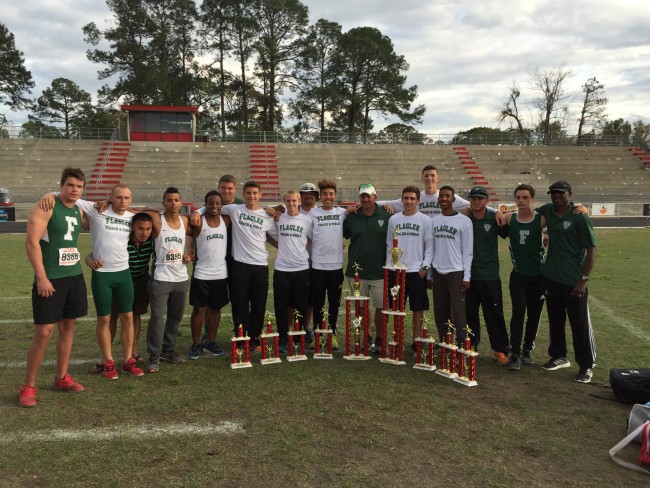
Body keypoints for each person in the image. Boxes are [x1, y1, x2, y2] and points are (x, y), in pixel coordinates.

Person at [19, 168, 88, 407]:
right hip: (51, 278)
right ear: (61, 185)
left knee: (68, 326)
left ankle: (61, 377)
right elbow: (31, 242)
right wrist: (41, 277)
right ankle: (28, 385)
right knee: (44, 332)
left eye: (79, 186)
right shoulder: (46, 205)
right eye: (70, 185)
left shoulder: (79, 209)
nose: (74, 190)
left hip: (74, 275)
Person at [537, 181, 597, 384]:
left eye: (561, 193)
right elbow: (525, 212)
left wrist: (583, 280)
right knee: (555, 320)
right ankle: (559, 355)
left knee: (579, 323)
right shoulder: (549, 211)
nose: (557, 196)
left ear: (569, 194)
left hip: (574, 280)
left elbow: (591, 249)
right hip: (552, 277)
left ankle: (586, 365)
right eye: (553, 193)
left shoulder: (579, 216)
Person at [87, 212, 154, 373]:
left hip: (141, 280)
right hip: (120, 280)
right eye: (140, 229)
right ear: (132, 228)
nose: (144, 233)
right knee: (112, 317)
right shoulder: (123, 239)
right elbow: (93, 254)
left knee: (135, 316)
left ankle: (133, 352)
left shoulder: (151, 241)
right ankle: (106, 357)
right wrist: (90, 260)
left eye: (148, 229)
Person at [219, 181, 278, 352]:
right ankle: (240, 337)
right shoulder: (234, 209)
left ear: (260, 195)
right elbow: (211, 207)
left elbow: (278, 236)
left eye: (255, 193)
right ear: (243, 195)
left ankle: (254, 338)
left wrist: (276, 212)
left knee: (258, 304)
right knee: (239, 303)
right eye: (248, 193)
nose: (251, 196)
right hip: (240, 265)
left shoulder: (267, 216)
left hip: (260, 266)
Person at [145, 187, 193, 373]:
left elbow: (187, 240)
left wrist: (188, 254)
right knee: (157, 317)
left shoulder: (185, 220)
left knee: (175, 316)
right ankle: (154, 354)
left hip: (181, 277)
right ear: (163, 202)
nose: (173, 203)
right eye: (169, 200)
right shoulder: (158, 220)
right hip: (161, 277)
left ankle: (167, 349)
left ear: (182, 203)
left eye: (176, 200)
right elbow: (141, 211)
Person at [386, 186, 433, 356]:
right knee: (397, 308)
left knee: (417, 309)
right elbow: (390, 245)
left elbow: (430, 248)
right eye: (406, 198)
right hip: (396, 271)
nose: (409, 201)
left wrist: (425, 268)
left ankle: (416, 342)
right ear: (402, 199)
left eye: (412, 198)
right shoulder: (394, 219)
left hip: (416, 271)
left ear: (418, 200)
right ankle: (397, 340)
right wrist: (391, 266)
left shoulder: (426, 221)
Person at [465, 186, 510, 365]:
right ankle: (471, 345)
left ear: (487, 201)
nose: (476, 201)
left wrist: (501, 213)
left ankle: (499, 349)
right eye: (473, 198)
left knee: (494, 313)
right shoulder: (465, 218)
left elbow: (508, 231)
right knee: (469, 313)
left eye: (480, 198)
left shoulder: (494, 218)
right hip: (468, 274)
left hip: (490, 274)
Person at [343, 183, 390, 353]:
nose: (365, 199)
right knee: (361, 307)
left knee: (380, 307)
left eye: (368, 195)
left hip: (379, 271)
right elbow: (344, 234)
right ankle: (366, 336)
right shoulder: (352, 217)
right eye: (362, 196)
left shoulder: (386, 214)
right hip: (356, 272)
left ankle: (379, 338)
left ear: (375, 197)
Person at [505, 184, 546, 371]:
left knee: (534, 315)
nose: (521, 201)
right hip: (518, 276)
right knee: (518, 313)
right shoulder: (508, 218)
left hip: (539, 276)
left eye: (525, 197)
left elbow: (562, 215)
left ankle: (528, 348)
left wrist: (581, 208)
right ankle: (515, 352)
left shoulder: (541, 219)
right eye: (518, 197)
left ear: (532, 200)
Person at [186, 191, 230, 360]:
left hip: (220, 273)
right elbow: (188, 223)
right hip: (202, 274)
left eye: (218, 203)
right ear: (205, 204)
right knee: (199, 309)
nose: (215, 206)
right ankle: (196, 343)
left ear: (221, 205)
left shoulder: (226, 220)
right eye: (211, 203)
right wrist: (198, 211)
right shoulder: (198, 221)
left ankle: (211, 341)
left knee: (216, 309)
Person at [430, 186, 473, 346]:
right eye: (441, 196)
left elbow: (468, 251)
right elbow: (431, 250)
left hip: (456, 272)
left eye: (447, 196)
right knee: (440, 312)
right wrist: (429, 275)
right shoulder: (434, 221)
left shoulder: (464, 221)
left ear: (454, 199)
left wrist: (466, 276)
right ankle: (445, 342)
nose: (444, 199)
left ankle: (461, 345)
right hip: (438, 272)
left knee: (459, 312)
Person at [309, 179, 347, 350]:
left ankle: (332, 334)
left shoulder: (342, 212)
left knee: (334, 303)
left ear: (335, 196)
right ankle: (317, 335)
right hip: (317, 266)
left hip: (336, 266)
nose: (328, 197)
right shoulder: (312, 214)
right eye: (324, 194)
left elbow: (362, 206)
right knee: (318, 303)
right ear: (320, 197)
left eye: (331, 194)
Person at [273, 191, 312, 353]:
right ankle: (283, 337)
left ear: (299, 201)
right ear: (284, 202)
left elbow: (312, 238)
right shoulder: (278, 218)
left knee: (300, 306)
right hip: (282, 268)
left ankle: (298, 337)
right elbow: (269, 232)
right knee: (281, 306)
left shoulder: (307, 220)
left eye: (294, 200)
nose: (291, 203)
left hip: (301, 268)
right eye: (288, 201)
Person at [379, 165, 470, 217]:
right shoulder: (415, 198)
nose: (429, 178)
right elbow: (389, 203)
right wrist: (385, 205)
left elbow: (472, 205)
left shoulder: (446, 197)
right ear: (422, 178)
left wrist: (467, 210)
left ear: (437, 178)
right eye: (426, 176)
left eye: (432, 175)